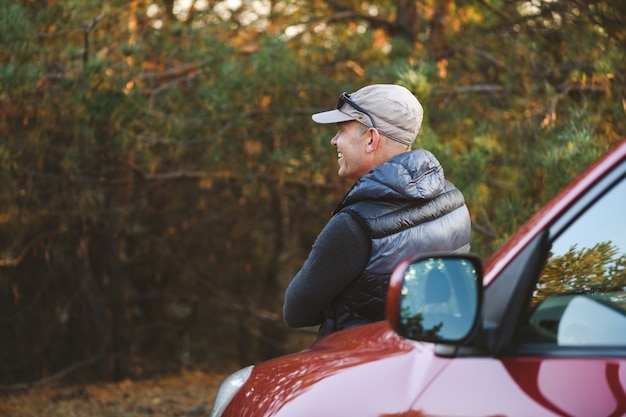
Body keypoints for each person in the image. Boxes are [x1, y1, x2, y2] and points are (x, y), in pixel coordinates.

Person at [283, 84, 471, 338]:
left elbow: (295, 311)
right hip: (423, 365)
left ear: (371, 139)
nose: (334, 141)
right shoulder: (453, 201)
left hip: (360, 368)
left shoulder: (354, 225)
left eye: (341, 130)